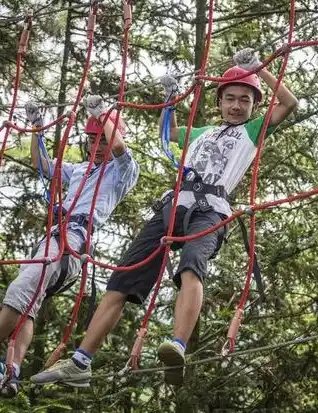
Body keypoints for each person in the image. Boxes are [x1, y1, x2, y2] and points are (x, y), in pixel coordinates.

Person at [31, 47, 297, 387]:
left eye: (244, 100)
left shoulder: (253, 131)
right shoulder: (202, 133)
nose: (235, 105)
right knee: (123, 278)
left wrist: (260, 69)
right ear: (219, 102)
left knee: (191, 264)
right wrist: (170, 99)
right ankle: (82, 360)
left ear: (255, 105)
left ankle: (178, 343)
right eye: (229, 98)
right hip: (173, 207)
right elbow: (168, 133)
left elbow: (289, 104)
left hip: (210, 209)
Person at [0, 96, 139, 396]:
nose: (97, 146)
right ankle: (11, 370)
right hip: (54, 238)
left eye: (102, 139)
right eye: (92, 140)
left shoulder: (122, 172)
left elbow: (118, 149)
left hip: (73, 241)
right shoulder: (78, 170)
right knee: (27, 305)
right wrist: (37, 125)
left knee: (19, 290)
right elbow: (43, 165)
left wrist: (102, 114)